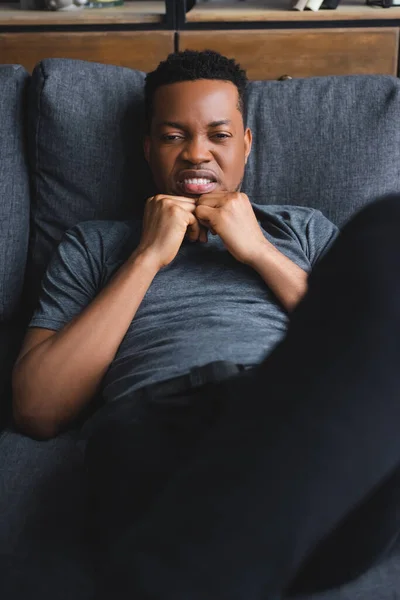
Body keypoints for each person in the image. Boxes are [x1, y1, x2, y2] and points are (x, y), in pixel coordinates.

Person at [11, 50, 400, 599]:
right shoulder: (95, 243)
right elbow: (37, 409)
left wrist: (259, 251)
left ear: (246, 144)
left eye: (219, 135)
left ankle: (202, 565)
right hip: (157, 421)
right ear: (148, 148)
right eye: (174, 136)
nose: (197, 154)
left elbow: (364, 344)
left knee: (390, 231)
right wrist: (146, 256)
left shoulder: (304, 231)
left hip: (282, 413)